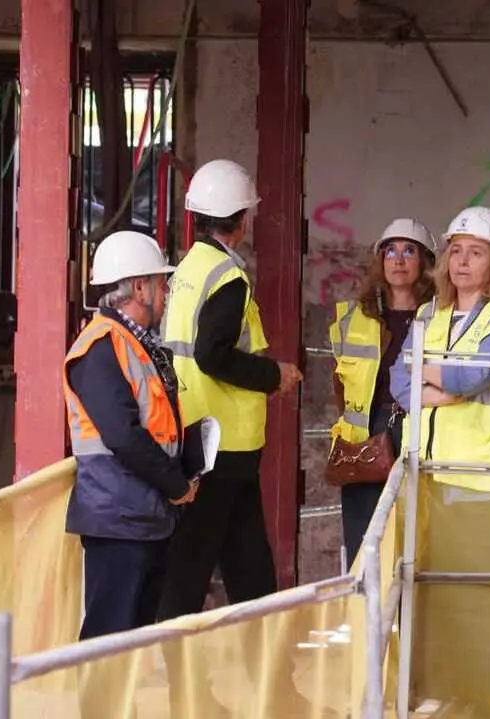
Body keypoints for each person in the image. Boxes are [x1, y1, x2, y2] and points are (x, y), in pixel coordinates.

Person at [157, 158, 311, 718]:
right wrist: (276, 375)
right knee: (191, 574)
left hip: (213, 444)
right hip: (219, 448)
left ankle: (277, 690)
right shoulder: (228, 277)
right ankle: (191, 697)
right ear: (242, 219)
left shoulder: (189, 270)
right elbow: (212, 354)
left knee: (252, 575)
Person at [390, 206, 490, 719]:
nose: (461, 261)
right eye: (455, 251)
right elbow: (397, 382)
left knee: (481, 602)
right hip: (428, 477)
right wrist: (438, 386)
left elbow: (468, 380)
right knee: (437, 597)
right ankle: (447, 695)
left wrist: (430, 377)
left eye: (475, 252)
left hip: (484, 483)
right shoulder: (429, 314)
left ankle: (485, 700)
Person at [63, 230, 199, 641]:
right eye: (161, 284)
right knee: (109, 639)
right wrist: (176, 486)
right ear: (140, 288)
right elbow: (123, 436)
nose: (166, 292)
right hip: (118, 518)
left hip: (143, 515)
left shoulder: (135, 345)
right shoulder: (100, 347)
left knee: (132, 643)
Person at [330, 217, 436, 570]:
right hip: (367, 435)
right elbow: (339, 383)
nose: (399, 260)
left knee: (417, 533)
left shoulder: (440, 316)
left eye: (409, 251)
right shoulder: (355, 317)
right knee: (364, 537)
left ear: (425, 262)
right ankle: (365, 616)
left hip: (421, 429)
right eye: (390, 251)